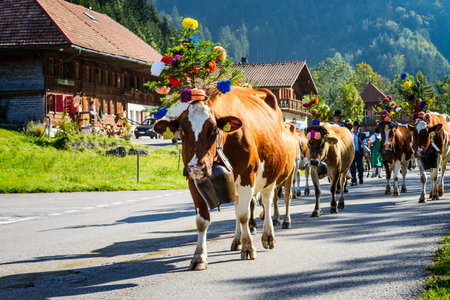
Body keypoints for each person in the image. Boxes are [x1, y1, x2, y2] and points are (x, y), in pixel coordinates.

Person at [350, 121, 366, 186]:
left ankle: (361, 178)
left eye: (357, 126)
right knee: (352, 168)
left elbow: (364, 142)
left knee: (360, 167)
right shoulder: (350, 134)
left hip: (359, 152)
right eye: (355, 126)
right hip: (352, 153)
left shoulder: (362, 134)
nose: (356, 127)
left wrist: (364, 145)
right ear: (353, 127)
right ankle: (353, 181)